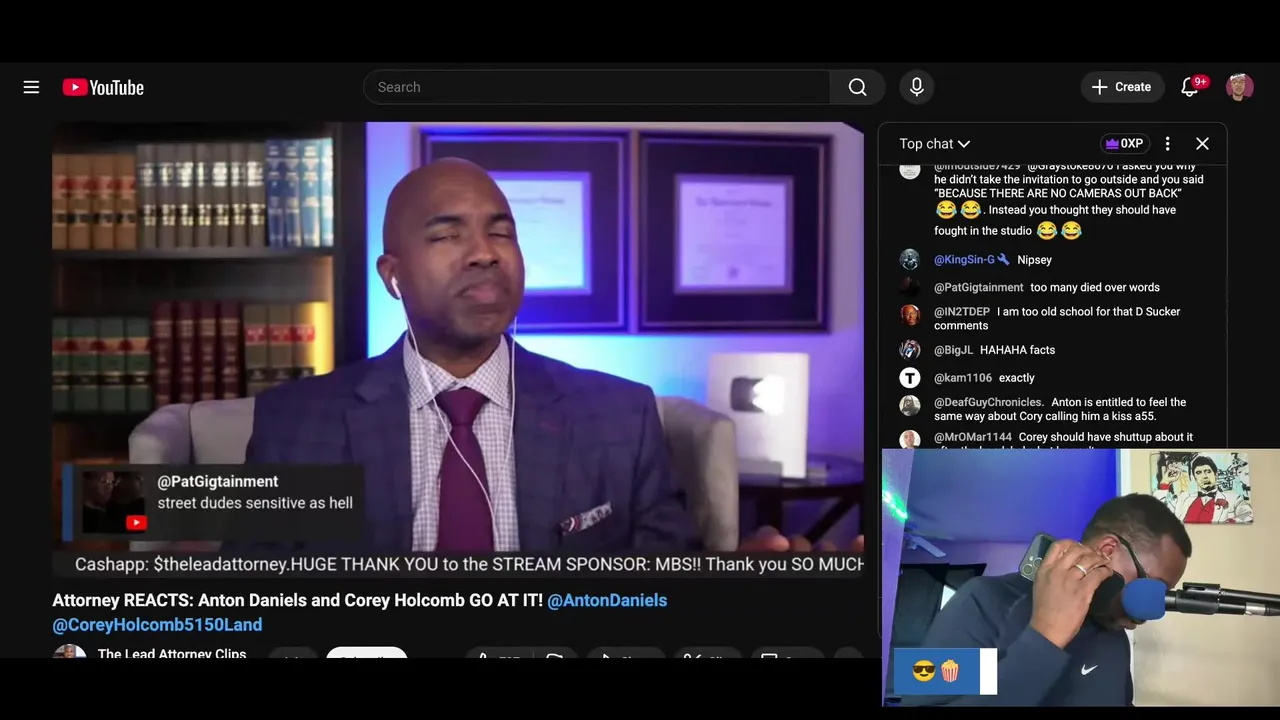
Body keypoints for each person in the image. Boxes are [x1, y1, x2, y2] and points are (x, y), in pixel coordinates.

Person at [246, 159, 860, 554]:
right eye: (447, 234)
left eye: (501, 231)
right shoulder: (295, 425)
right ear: (392, 276)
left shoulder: (620, 417)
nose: (485, 252)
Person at [904, 493, 1191, 706]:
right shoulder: (984, 601)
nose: (1142, 618)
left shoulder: (1114, 640)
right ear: (1107, 550)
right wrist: (1044, 637)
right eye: (1152, 590)